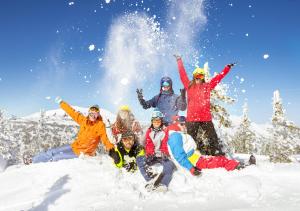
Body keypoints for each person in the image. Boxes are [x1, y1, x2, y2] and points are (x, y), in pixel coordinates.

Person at [174, 55, 236, 155]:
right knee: (190, 139)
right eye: (197, 76)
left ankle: (215, 153)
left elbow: (218, 78)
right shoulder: (189, 86)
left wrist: (227, 68)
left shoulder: (207, 86)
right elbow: (182, 74)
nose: (198, 78)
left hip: (205, 118)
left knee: (213, 138)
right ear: (194, 77)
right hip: (192, 119)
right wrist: (179, 60)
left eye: (201, 76)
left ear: (203, 77)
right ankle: (189, 154)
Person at [28, 98, 114, 164]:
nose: (93, 115)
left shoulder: (100, 125)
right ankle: (32, 160)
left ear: (98, 115)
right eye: (91, 113)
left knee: (55, 158)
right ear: (89, 113)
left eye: (95, 114)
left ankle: (38, 166)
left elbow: (105, 139)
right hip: (74, 146)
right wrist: (61, 103)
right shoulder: (83, 120)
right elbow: (72, 112)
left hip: (83, 153)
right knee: (51, 151)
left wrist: (112, 150)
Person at [167, 116, 242, 176]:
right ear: (175, 125)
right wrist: (191, 168)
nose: (184, 126)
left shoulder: (179, 134)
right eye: (181, 124)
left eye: (185, 124)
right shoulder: (175, 136)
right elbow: (179, 155)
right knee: (219, 161)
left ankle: (235, 164)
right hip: (193, 162)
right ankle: (237, 167)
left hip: (195, 158)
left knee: (219, 158)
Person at [144, 109, 176, 191]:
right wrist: (150, 153)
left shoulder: (165, 130)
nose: (156, 123)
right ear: (152, 121)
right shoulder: (149, 131)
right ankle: (151, 179)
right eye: (155, 121)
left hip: (163, 155)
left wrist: (165, 153)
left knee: (169, 166)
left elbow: (165, 143)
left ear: (161, 121)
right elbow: (149, 144)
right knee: (143, 162)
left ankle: (163, 183)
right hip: (153, 155)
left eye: (158, 121)